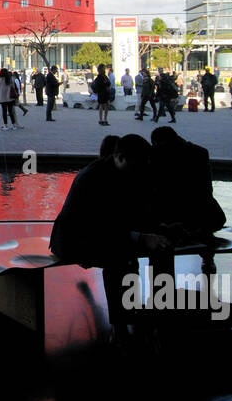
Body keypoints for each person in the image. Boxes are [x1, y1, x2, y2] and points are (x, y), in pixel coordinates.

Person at [49, 134, 172, 342]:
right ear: (120, 157)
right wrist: (142, 236)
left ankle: (158, 311)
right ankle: (121, 325)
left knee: (160, 247)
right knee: (120, 257)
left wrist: (160, 229)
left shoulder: (124, 169)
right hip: (75, 239)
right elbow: (100, 225)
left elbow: (128, 216)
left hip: (101, 234)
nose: (141, 170)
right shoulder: (94, 178)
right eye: (137, 164)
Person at [148, 126, 226, 243]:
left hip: (171, 215)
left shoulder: (157, 153)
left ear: (157, 142)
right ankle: (208, 259)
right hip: (209, 216)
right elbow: (207, 189)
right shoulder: (200, 152)